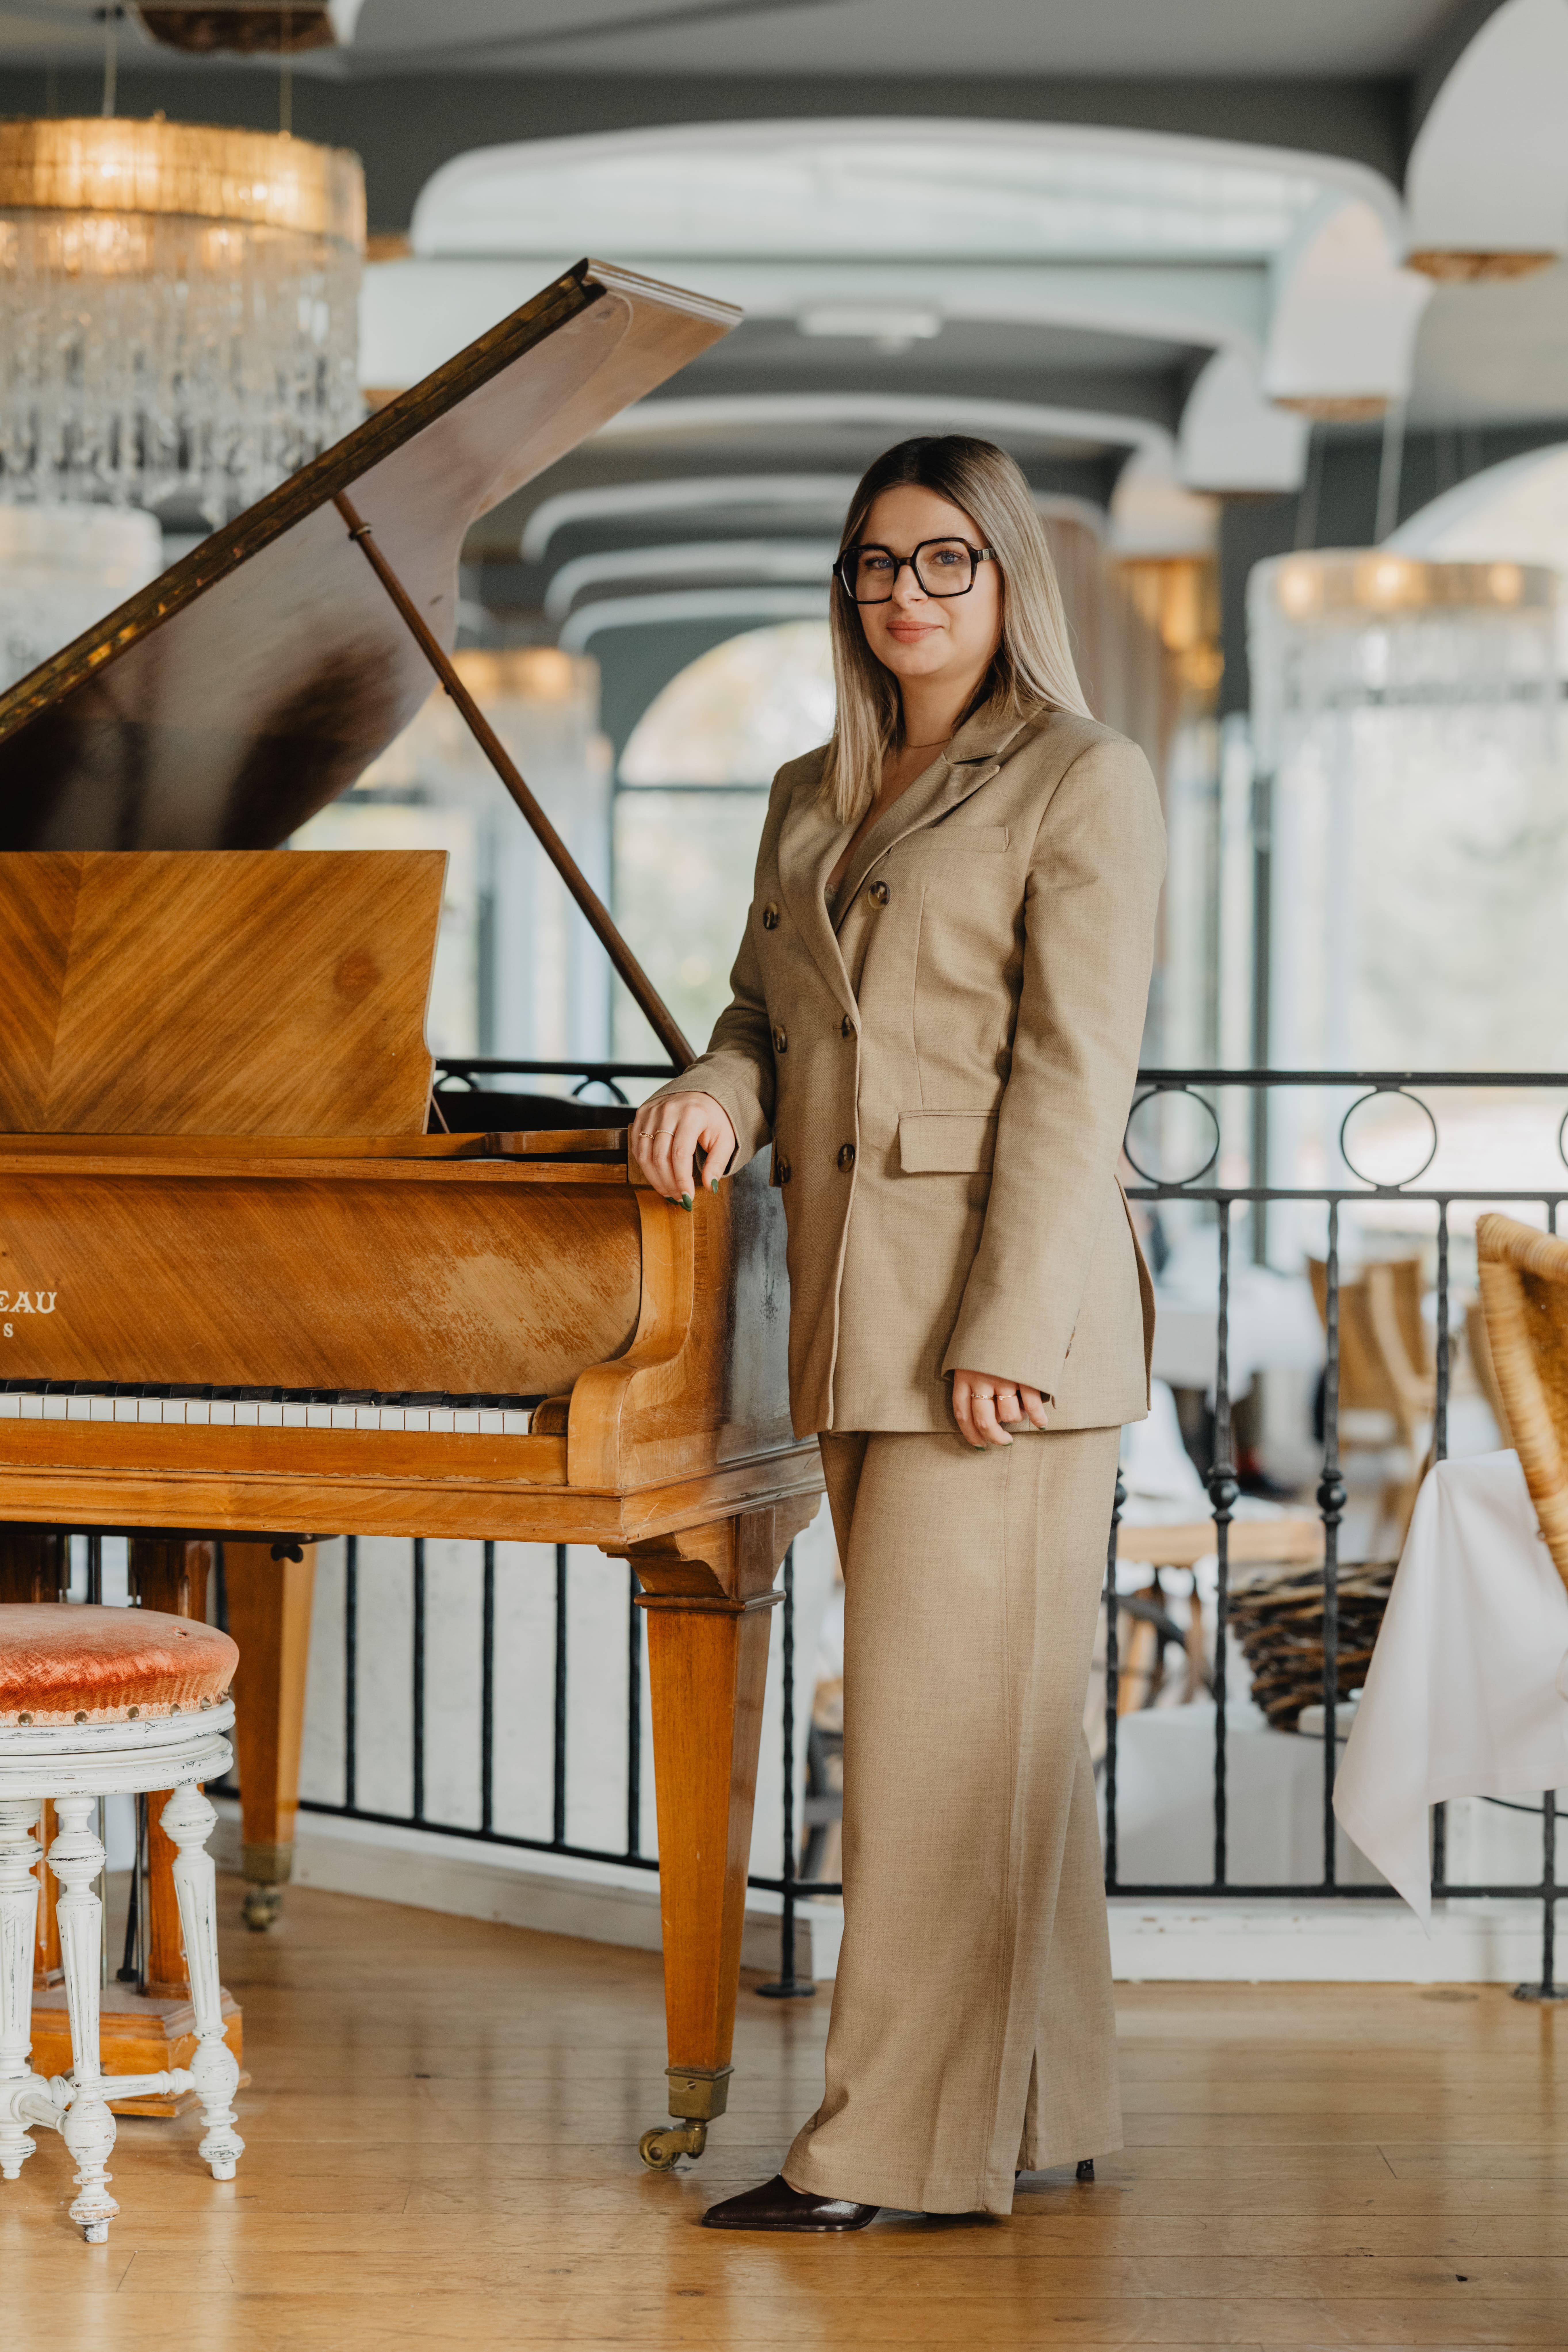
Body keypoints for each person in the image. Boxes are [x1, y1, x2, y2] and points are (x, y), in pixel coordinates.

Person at [629, 435, 1165, 2230]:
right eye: (874, 564)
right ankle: (1042, 2099)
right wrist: (713, 1084)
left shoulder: (1084, 779)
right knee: (994, 1729)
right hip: (853, 1311)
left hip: (1001, 1330)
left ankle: (887, 2158)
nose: (904, 596)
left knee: (935, 1744)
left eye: (943, 563)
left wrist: (1007, 1321)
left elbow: (1079, 1084)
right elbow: (761, 1014)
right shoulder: (810, 787)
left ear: (1009, 579)